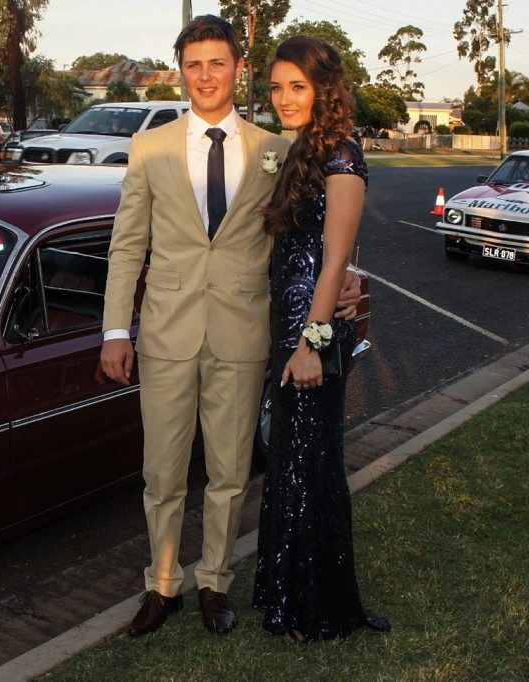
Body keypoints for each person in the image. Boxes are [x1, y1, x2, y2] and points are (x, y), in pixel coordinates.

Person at [100, 15, 359, 639]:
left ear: (238, 69)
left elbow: (315, 227)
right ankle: (161, 586)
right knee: (161, 471)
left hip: (243, 334)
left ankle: (215, 581)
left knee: (230, 471)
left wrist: (348, 276)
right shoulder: (150, 147)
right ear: (181, 71)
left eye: (218, 63)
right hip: (165, 332)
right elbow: (127, 246)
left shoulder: (277, 148)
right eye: (195, 64)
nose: (206, 75)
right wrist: (114, 331)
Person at [251, 34, 391, 642]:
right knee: (289, 460)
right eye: (277, 87)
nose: (284, 97)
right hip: (288, 325)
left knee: (312, 464)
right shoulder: (302, 149)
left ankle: (316, 607)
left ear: (324, 89)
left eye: (297, 87)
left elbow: (334, 262)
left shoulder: (342, 155)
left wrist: (311, 344)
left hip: (312, 329)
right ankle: (290, 597)